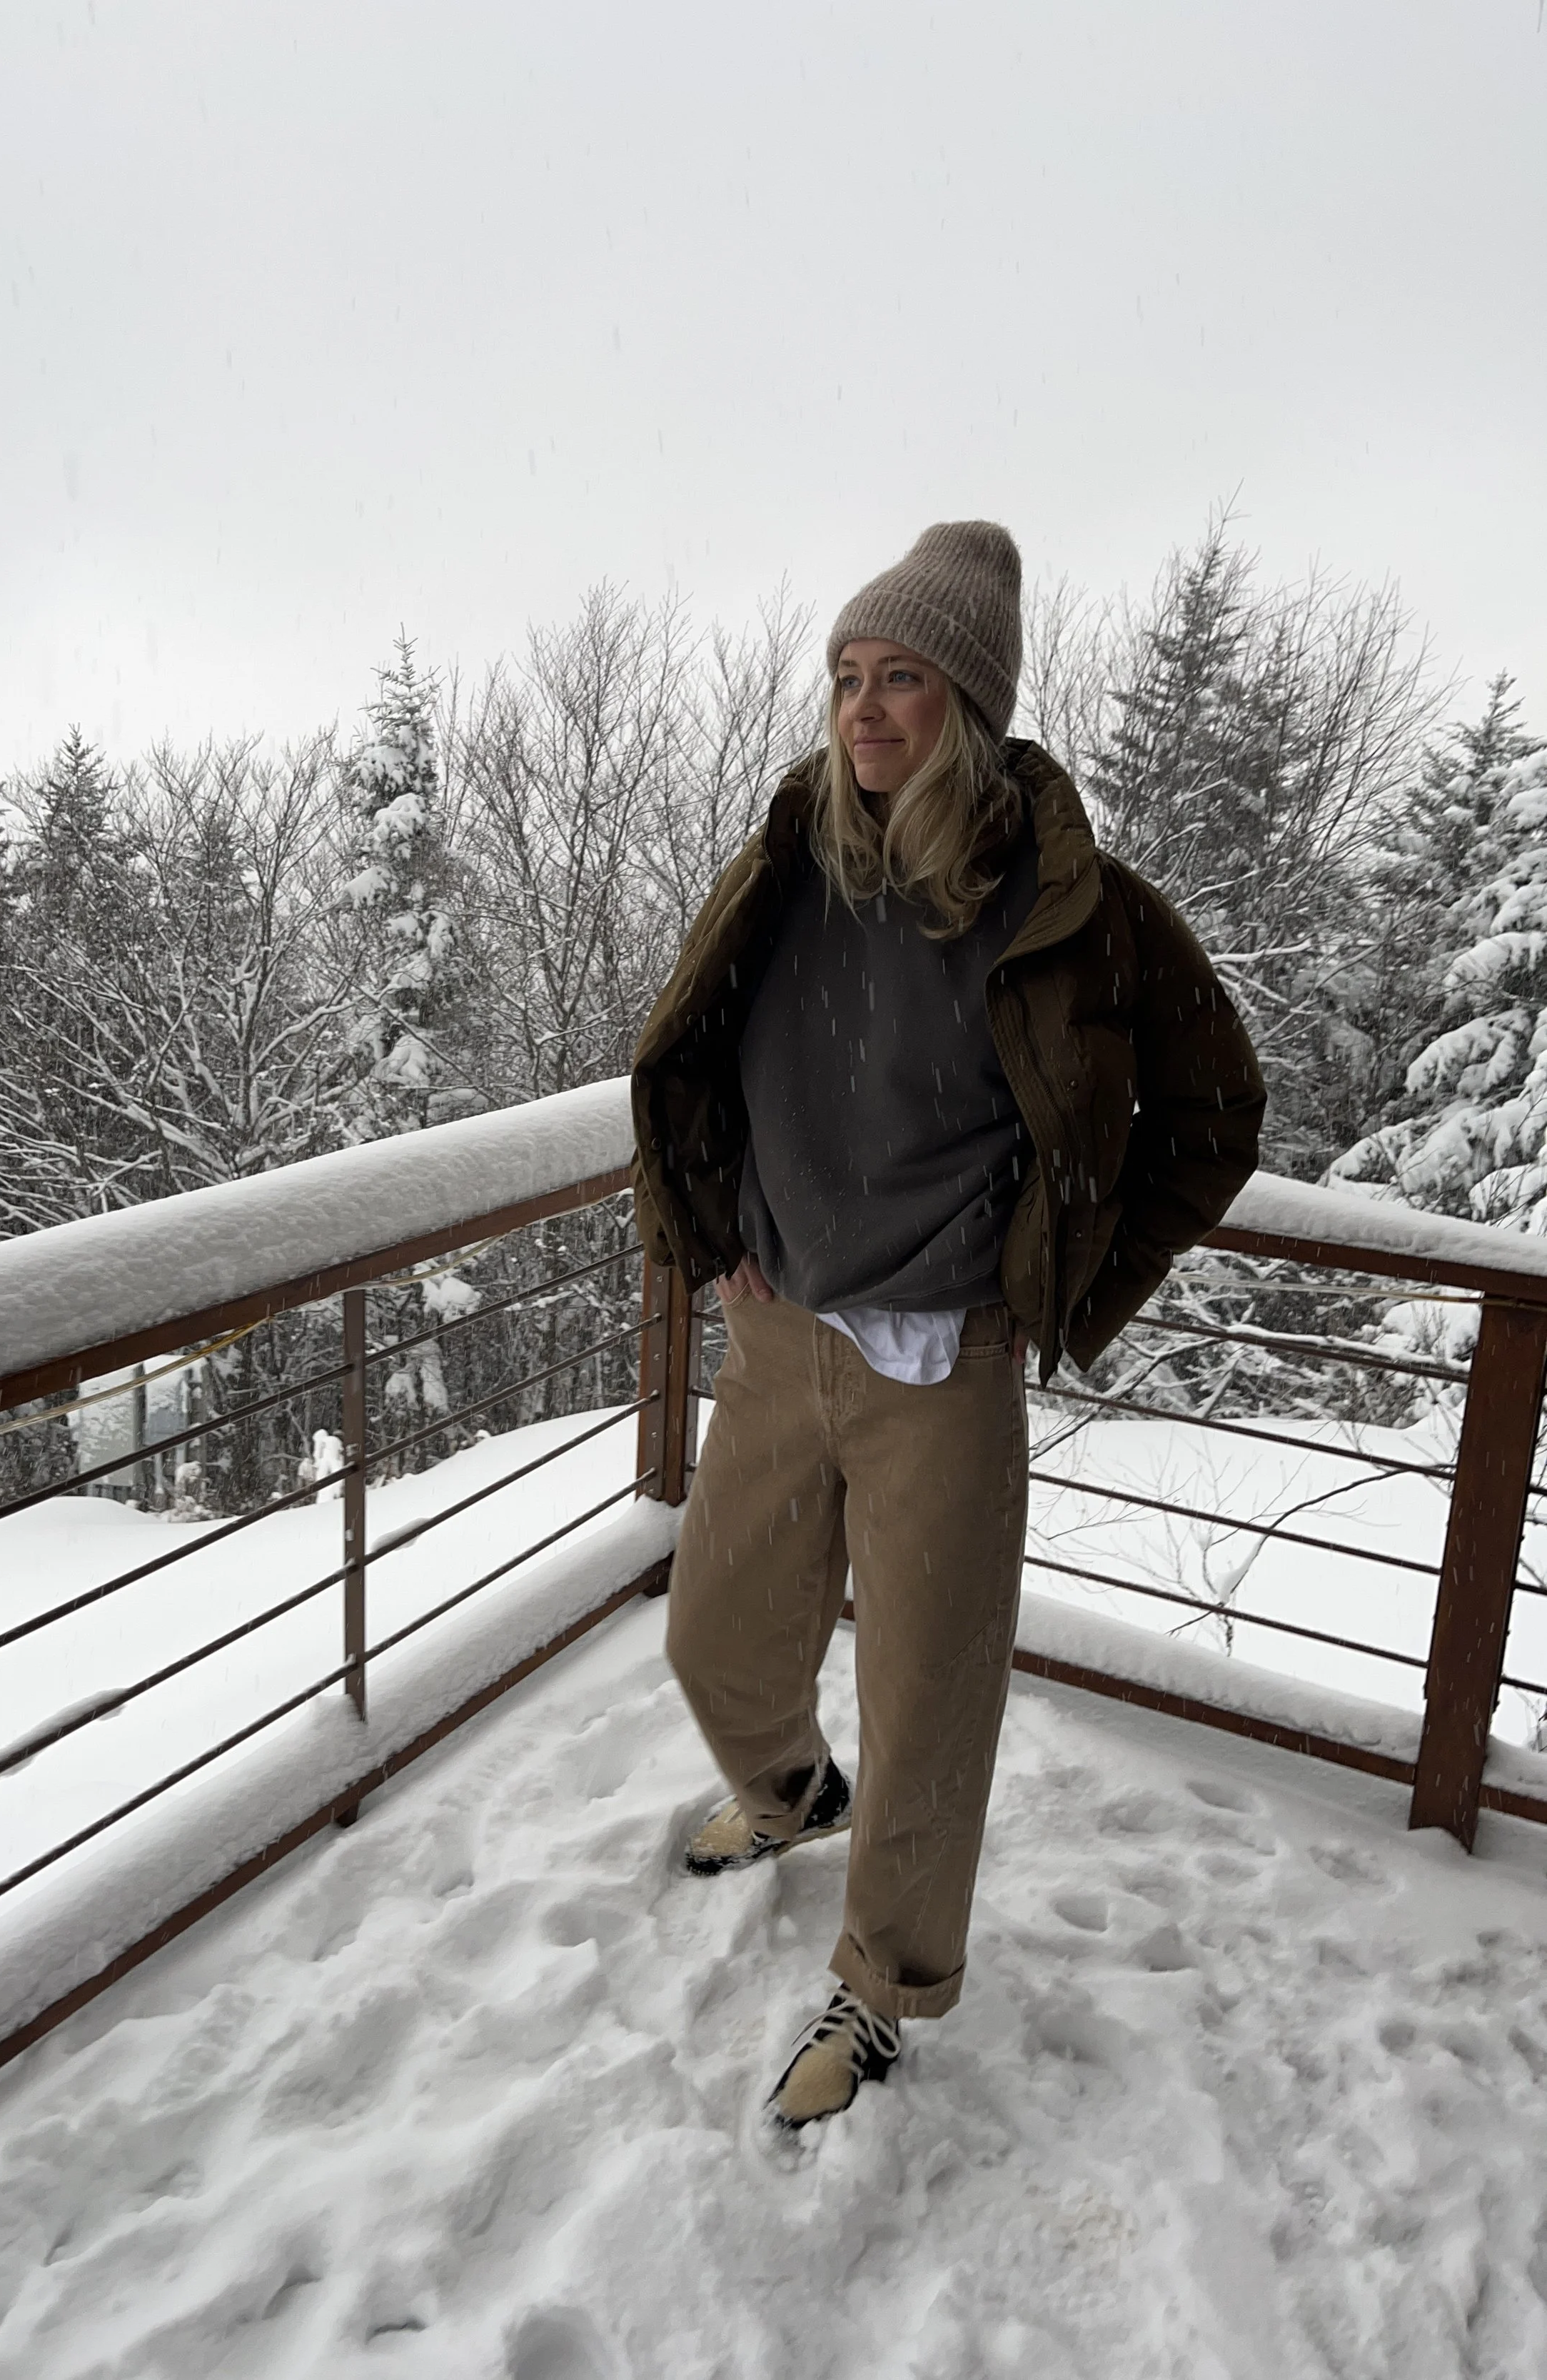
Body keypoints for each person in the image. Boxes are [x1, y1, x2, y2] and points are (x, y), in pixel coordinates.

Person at [630, 521, 1264, 2130]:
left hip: (946, 1368)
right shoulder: (793, 862)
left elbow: (1213, 1113)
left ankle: (884, 1981)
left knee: (927, 1703)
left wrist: (1065, 1280)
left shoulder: (1074, 907)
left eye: (898, 677)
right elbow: (683, 1052)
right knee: (714, 1633)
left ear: (966, 704)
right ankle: (786, 1795)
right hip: (781, 1335)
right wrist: (711, 1233)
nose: (861, 707)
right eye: (845, 677)